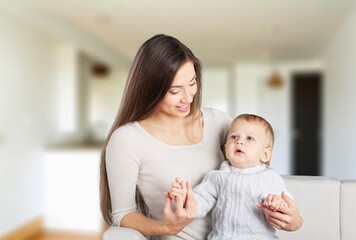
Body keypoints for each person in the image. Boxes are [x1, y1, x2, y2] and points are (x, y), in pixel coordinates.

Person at [99, 34, 303, 239]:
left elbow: (256, 174)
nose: (188, 97)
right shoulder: (127, 139)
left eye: (192, 82)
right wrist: (169, 228)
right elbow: (123, 213)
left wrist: (294, 220)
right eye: (175, 90)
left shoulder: (221, 122)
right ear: (151, 89)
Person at [170, 114, 291, 239]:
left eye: (249, 138)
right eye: (234, 137)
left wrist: (279, 203)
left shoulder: (269, 178)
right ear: (225, 148)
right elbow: (201, 200)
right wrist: (184, 198)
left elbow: (286, 205)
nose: (239, 141)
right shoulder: (217, 177)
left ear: (265, 154)